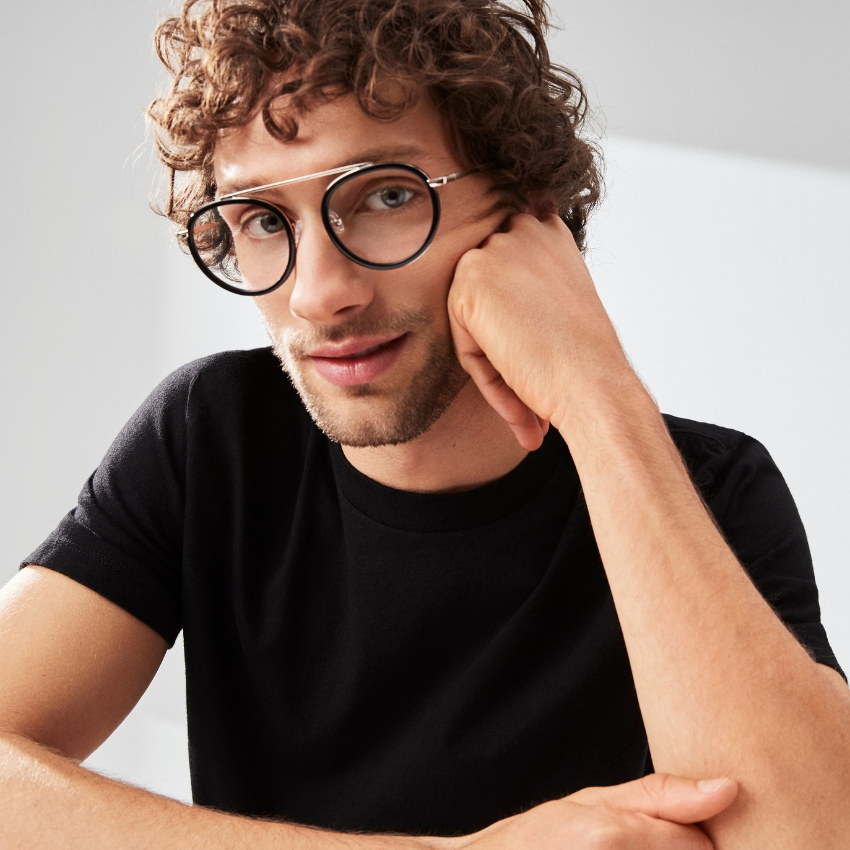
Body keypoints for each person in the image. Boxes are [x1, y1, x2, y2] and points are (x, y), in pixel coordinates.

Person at [1, 0, 848, 848]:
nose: (318, 294)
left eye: (387, 196)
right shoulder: (213, 436)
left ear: (526, 207)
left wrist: (596, 389)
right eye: (265, 220)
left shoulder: (709, 488)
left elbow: (809, 837)